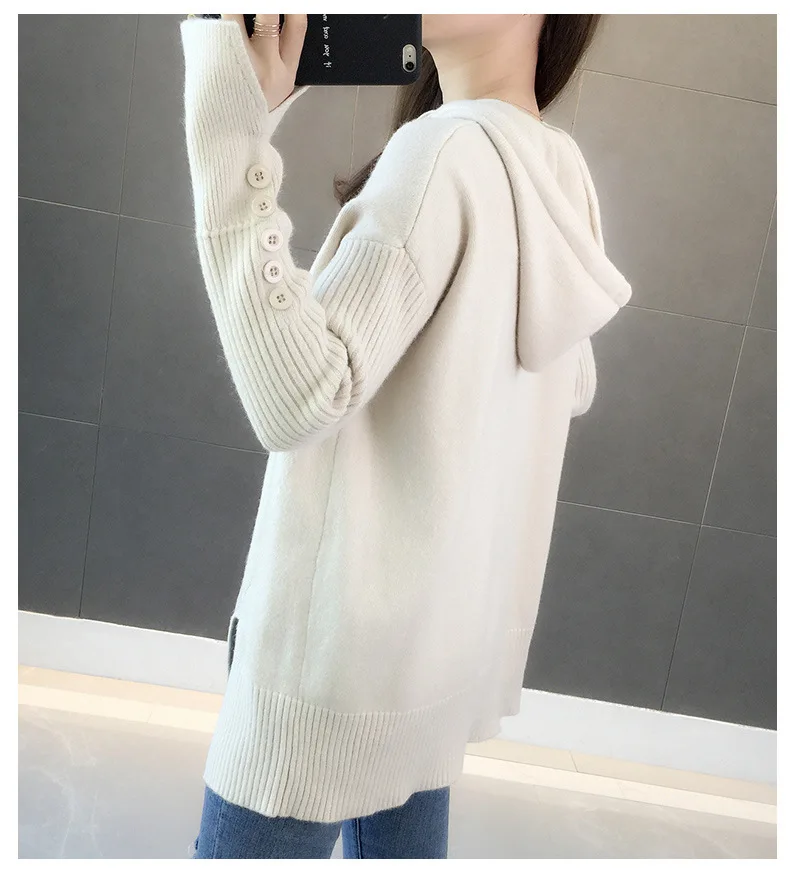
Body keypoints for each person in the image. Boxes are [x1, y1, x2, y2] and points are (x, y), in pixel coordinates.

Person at [180, 12, 631, 859]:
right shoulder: (557, 172)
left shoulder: (442, 153)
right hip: (433, 665)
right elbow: (569, 385)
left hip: (329, 676)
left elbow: (296, 397)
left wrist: (229, 130)